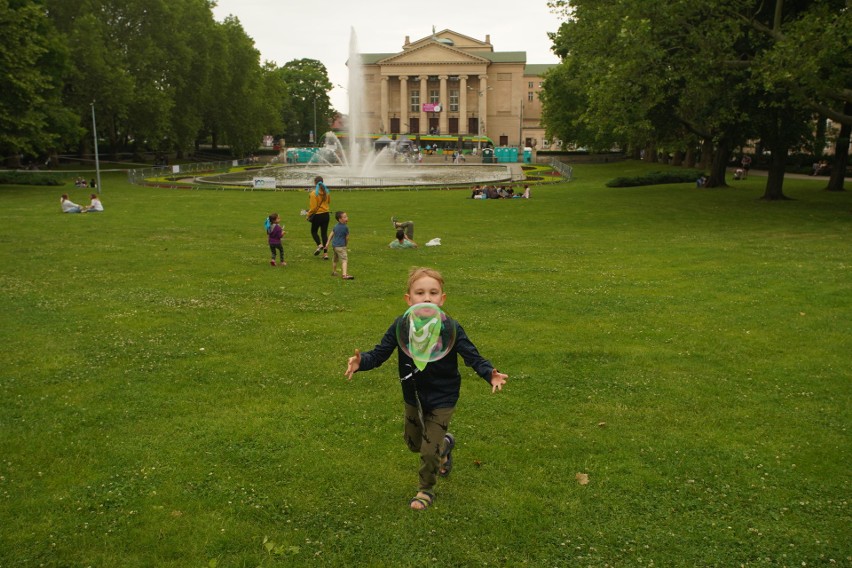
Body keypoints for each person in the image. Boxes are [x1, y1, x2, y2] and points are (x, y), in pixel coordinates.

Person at [344, 267, 508, 510]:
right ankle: (446, 444)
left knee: (428, 451)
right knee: (414, 444)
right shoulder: (401, 326)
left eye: (433, 292)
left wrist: (489, 373)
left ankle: (425, 490)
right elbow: (379, 354)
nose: (427, 297)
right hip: (414, 395)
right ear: (408, 299)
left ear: (442, 299)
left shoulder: (449, 327)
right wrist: (360, 363)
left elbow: (472, 355)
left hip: (443, 396)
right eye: (420, 292)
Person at [307, 176, 331, 260]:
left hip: (317, 215)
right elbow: (328, 202)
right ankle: (325, 254)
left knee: (314, 231)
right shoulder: (326, 192)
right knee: (324, 234)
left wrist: (308, 214)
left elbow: (313, 208)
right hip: (326, 215)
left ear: (315, 183)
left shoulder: (313, 193)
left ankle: (319, 245)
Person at [330, 210, 354, 280]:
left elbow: (333, 234)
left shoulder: (336, 226)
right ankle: (344, 275)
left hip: (334, 246)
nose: (347, 218)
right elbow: (347, 238)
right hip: (341, 246)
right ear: (340, 219)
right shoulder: (345, 227)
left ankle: (334, 272)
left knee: (335, 259)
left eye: (346, 216)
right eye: (345, 217)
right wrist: (346, 245)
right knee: (344, 260)